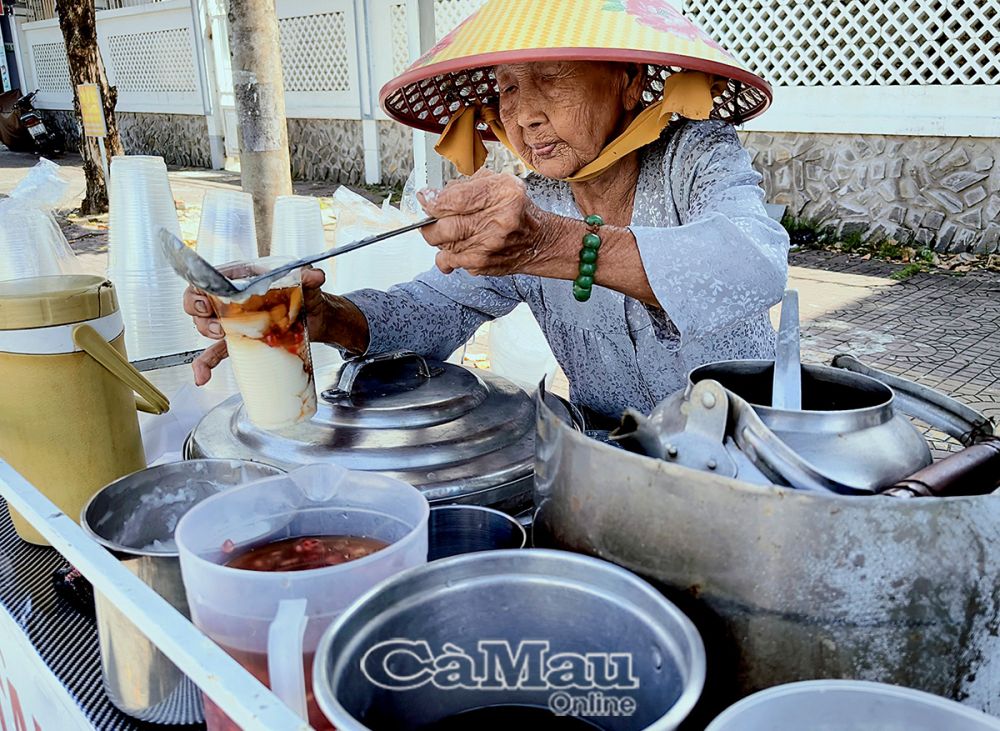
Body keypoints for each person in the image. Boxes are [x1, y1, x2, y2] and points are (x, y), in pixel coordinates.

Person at [184, 0, 788, 424]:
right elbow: (428, 313)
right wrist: (321, 315)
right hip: (607, 454)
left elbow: (754, 264)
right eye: (507, 88)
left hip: (746, 453)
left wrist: (553, 247)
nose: (523, 115)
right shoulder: (537, 203)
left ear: (629, 82)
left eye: (551, 77)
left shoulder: (695, 155)